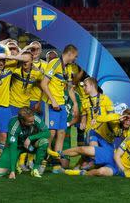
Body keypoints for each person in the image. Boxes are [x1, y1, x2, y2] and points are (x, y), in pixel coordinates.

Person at [50, 108, 130, 176]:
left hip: (107, 142)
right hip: (96, 134)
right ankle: (58, 154)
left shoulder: (128, 132)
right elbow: (100, 118)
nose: (127, 122)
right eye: (126, 119)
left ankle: (79, 167)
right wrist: (118, 117)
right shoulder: (115, 119)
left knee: (94, 159)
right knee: (87, 150)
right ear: (122, 116)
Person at [40, 44, 79, 173]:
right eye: (75, 56)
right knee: (50, 133)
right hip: (51, 104)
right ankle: (42, 160)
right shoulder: (54, 63)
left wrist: (74, 103)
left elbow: (68, 87)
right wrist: (53, 100)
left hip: (61, 105)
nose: (76, 58)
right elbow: (43, 84)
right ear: (70, 53)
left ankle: (56, 163)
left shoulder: (68, 68)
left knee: (61, 133)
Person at [0, 107, 50, 179]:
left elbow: (47, 133)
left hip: (31, 145)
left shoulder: (35, 119)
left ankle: (35, 168)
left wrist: (30, 138)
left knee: (44, 141)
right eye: (30, 122)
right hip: (17, 147)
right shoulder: (14, 124)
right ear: (22, 121)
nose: (33, 122)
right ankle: (14, 166)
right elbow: (13, 148)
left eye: (33, 120)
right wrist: (12, 171)